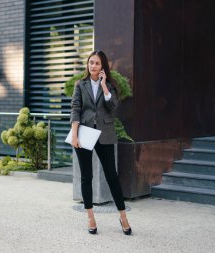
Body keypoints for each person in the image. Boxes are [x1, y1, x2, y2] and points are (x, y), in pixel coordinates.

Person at [70, 50, 132, 235]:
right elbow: (75, 109)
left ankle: (123, 216)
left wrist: (104, 86)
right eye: (91, 63)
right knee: (86, 176)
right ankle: (90, 216)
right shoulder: (80, 85)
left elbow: (113, 107)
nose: (93, 66)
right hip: (84, 133)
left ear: (103, 66)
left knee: (112, 176)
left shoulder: (111, 85)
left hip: (104, 134)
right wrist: (75, 135)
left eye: (97, 63)